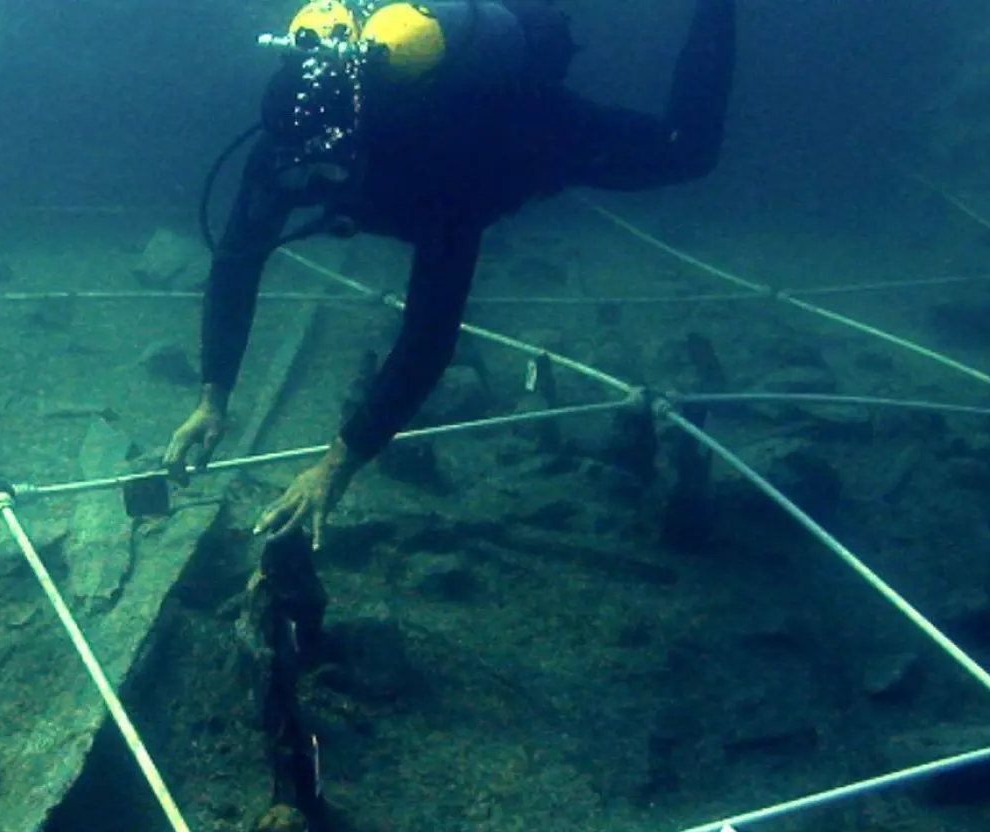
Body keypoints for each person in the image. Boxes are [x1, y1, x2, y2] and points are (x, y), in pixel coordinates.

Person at [163, 0, 736, 548]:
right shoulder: (281, 147)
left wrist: (338, 464)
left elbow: (429, 339)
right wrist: (212, 398)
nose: (303, 181)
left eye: (322, 166)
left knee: (688, 153)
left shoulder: (438, 167)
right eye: (296, 166)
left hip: (532, 141)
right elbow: (236, 263)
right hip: (429, 142)